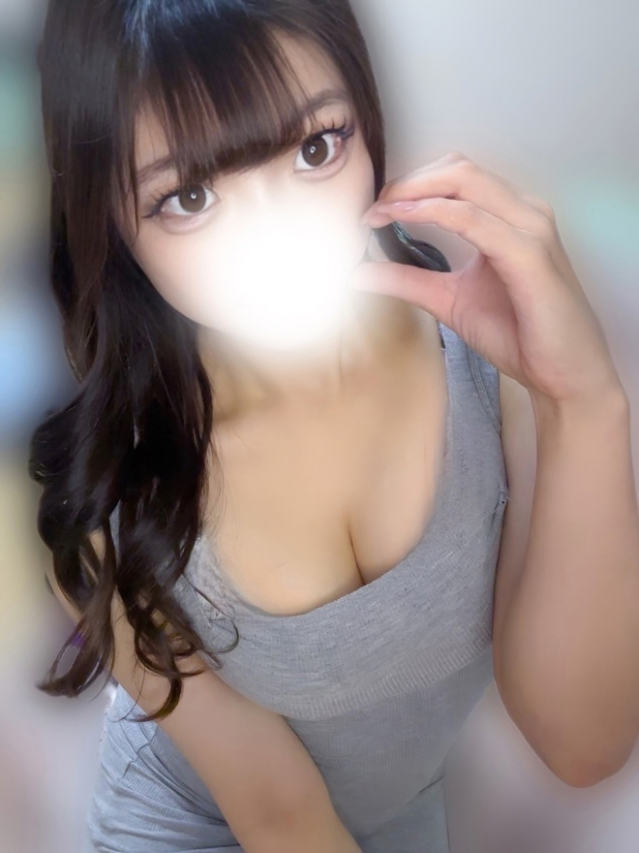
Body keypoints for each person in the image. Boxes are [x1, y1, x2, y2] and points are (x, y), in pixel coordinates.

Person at [31, 1, 516, 851]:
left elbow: (584, 739)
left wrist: (586, 396)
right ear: (111, 223)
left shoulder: (488, 353)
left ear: (364, 115)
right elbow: (278, 813)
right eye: (188, 196)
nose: (275, 232)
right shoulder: (115, 497)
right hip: (183, 825)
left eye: (316, 148)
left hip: (400, 809)